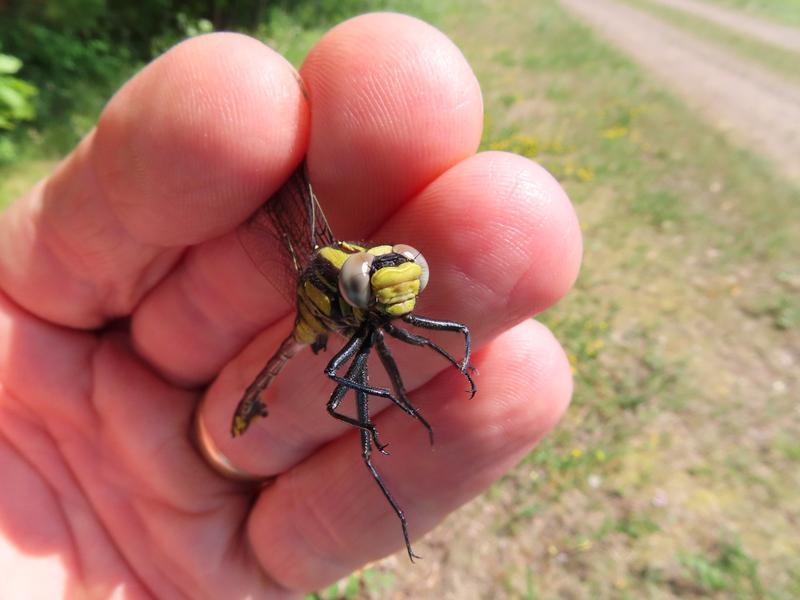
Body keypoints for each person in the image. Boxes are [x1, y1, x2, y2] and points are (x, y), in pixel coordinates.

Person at [0, 12, 581, 598]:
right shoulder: (336, 290)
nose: (404, 297)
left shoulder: (372, 288)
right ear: (353, 287)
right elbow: (346, 382)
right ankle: (271, 418)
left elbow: (430, 326)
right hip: (310, 323)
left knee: (405, 350)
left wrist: (448, 354)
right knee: (343, 386)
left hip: (338, 313)